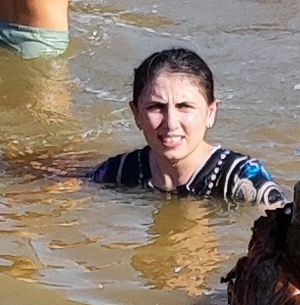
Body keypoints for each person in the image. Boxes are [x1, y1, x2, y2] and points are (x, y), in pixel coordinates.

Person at [87, 44, 279, 203]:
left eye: (184, 106)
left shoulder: (242, 179)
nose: (171, 124)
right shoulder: (119, 173)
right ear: (136, 114)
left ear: (210, 113)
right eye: (156, 107)